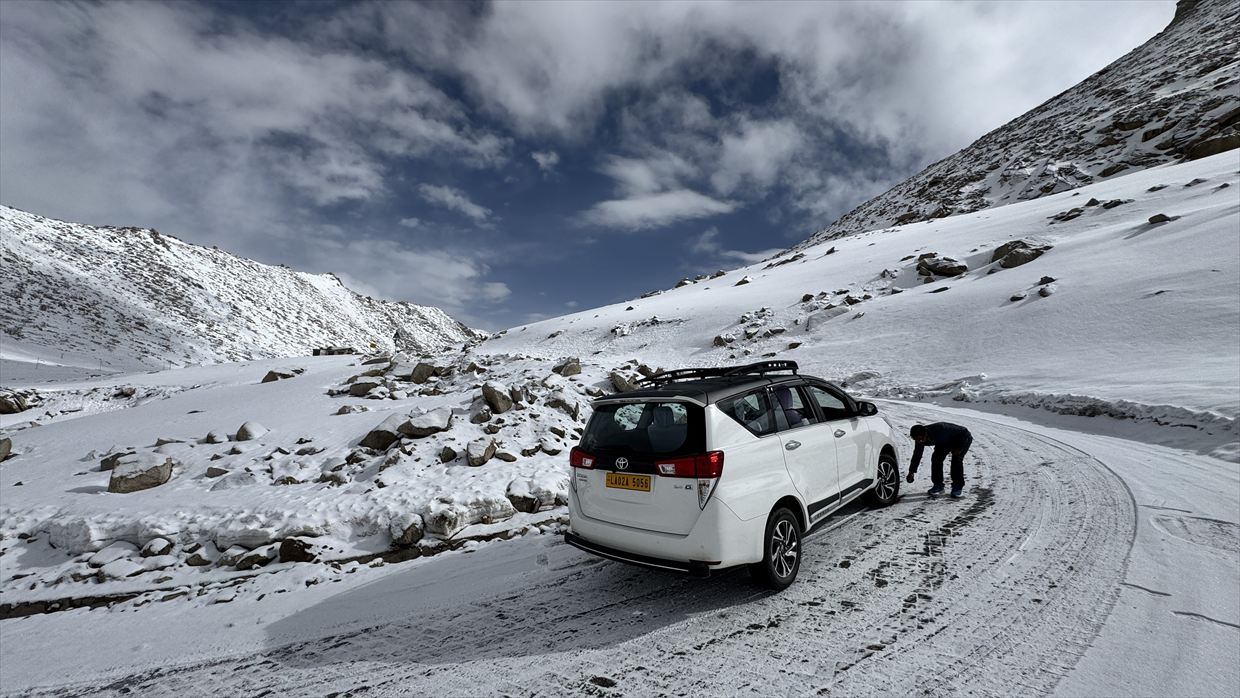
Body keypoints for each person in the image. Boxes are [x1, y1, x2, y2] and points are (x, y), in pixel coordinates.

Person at [906, 422, 973, 498]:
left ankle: (957, 486)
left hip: (962, 438)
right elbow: (917, 455)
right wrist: (911, 471)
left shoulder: (940, 429)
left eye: (920, 439)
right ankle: (938, 485)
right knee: (936, 458)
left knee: (956, 460)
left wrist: (959, 447)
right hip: (944, 441)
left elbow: (964, 432)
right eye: (916, 439)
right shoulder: (919, 438)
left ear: (925, 434)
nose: (919, 441)